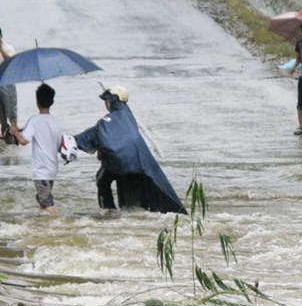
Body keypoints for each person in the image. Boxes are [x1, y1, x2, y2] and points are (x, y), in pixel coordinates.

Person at [74, 85, 186, 214]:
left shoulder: (109, 120)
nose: (105, 103)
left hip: (120, 163)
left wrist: (69, 140)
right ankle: (120, 214)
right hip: (135, 163)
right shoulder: (127, 115)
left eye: (106, 100)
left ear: (112, 101)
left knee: (104, 182)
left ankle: (109, 212)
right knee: (129, 200)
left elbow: (94, 134)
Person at [10, 83, 64, 215]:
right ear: (52, 101)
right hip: (52, 168)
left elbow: (23, 141)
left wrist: (15, 132)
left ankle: (59, 221)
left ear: (37, 101)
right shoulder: (57, 121)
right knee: (42, 199)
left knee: (46, 204)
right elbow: (59, 145)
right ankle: (45, 228)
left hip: (41, 170)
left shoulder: (34, 120)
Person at [0, 28, 19, 145]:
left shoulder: (8, 48)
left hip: (8, 84)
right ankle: (5, 132)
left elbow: (11, 62)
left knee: (11, 113)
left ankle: (15, 136)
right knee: (2, 115)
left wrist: (1, 48)